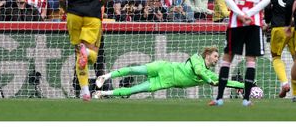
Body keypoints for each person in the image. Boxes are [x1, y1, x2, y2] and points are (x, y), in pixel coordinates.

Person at [211, 0, 272, 107]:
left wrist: (240, 14)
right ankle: (246, 99)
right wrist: (250, 14)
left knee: (227, 58)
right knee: (251, 59)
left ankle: (219, 98)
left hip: (235, 23)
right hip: (255, 22)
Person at [58, 0, 113, 101]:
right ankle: (87, 53)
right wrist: (99, 3)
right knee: (92, 54)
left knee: (78, 54)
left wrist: (66, 9)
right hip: (92, 15)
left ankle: (85, 92)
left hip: (73, 15)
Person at [93, 46, 245, 98]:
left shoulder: (210, 75)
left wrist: (245, 85)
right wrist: (208, 80)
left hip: (163, 82)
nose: (217, 59)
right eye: (215, 56)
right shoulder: (196, 58)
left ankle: (102, 94)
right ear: (207, 55)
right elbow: (198, 71)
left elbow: (224, 82)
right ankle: (105, 76)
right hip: (163, 67)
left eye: (218, 57)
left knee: (132, 90)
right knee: (134, 69)